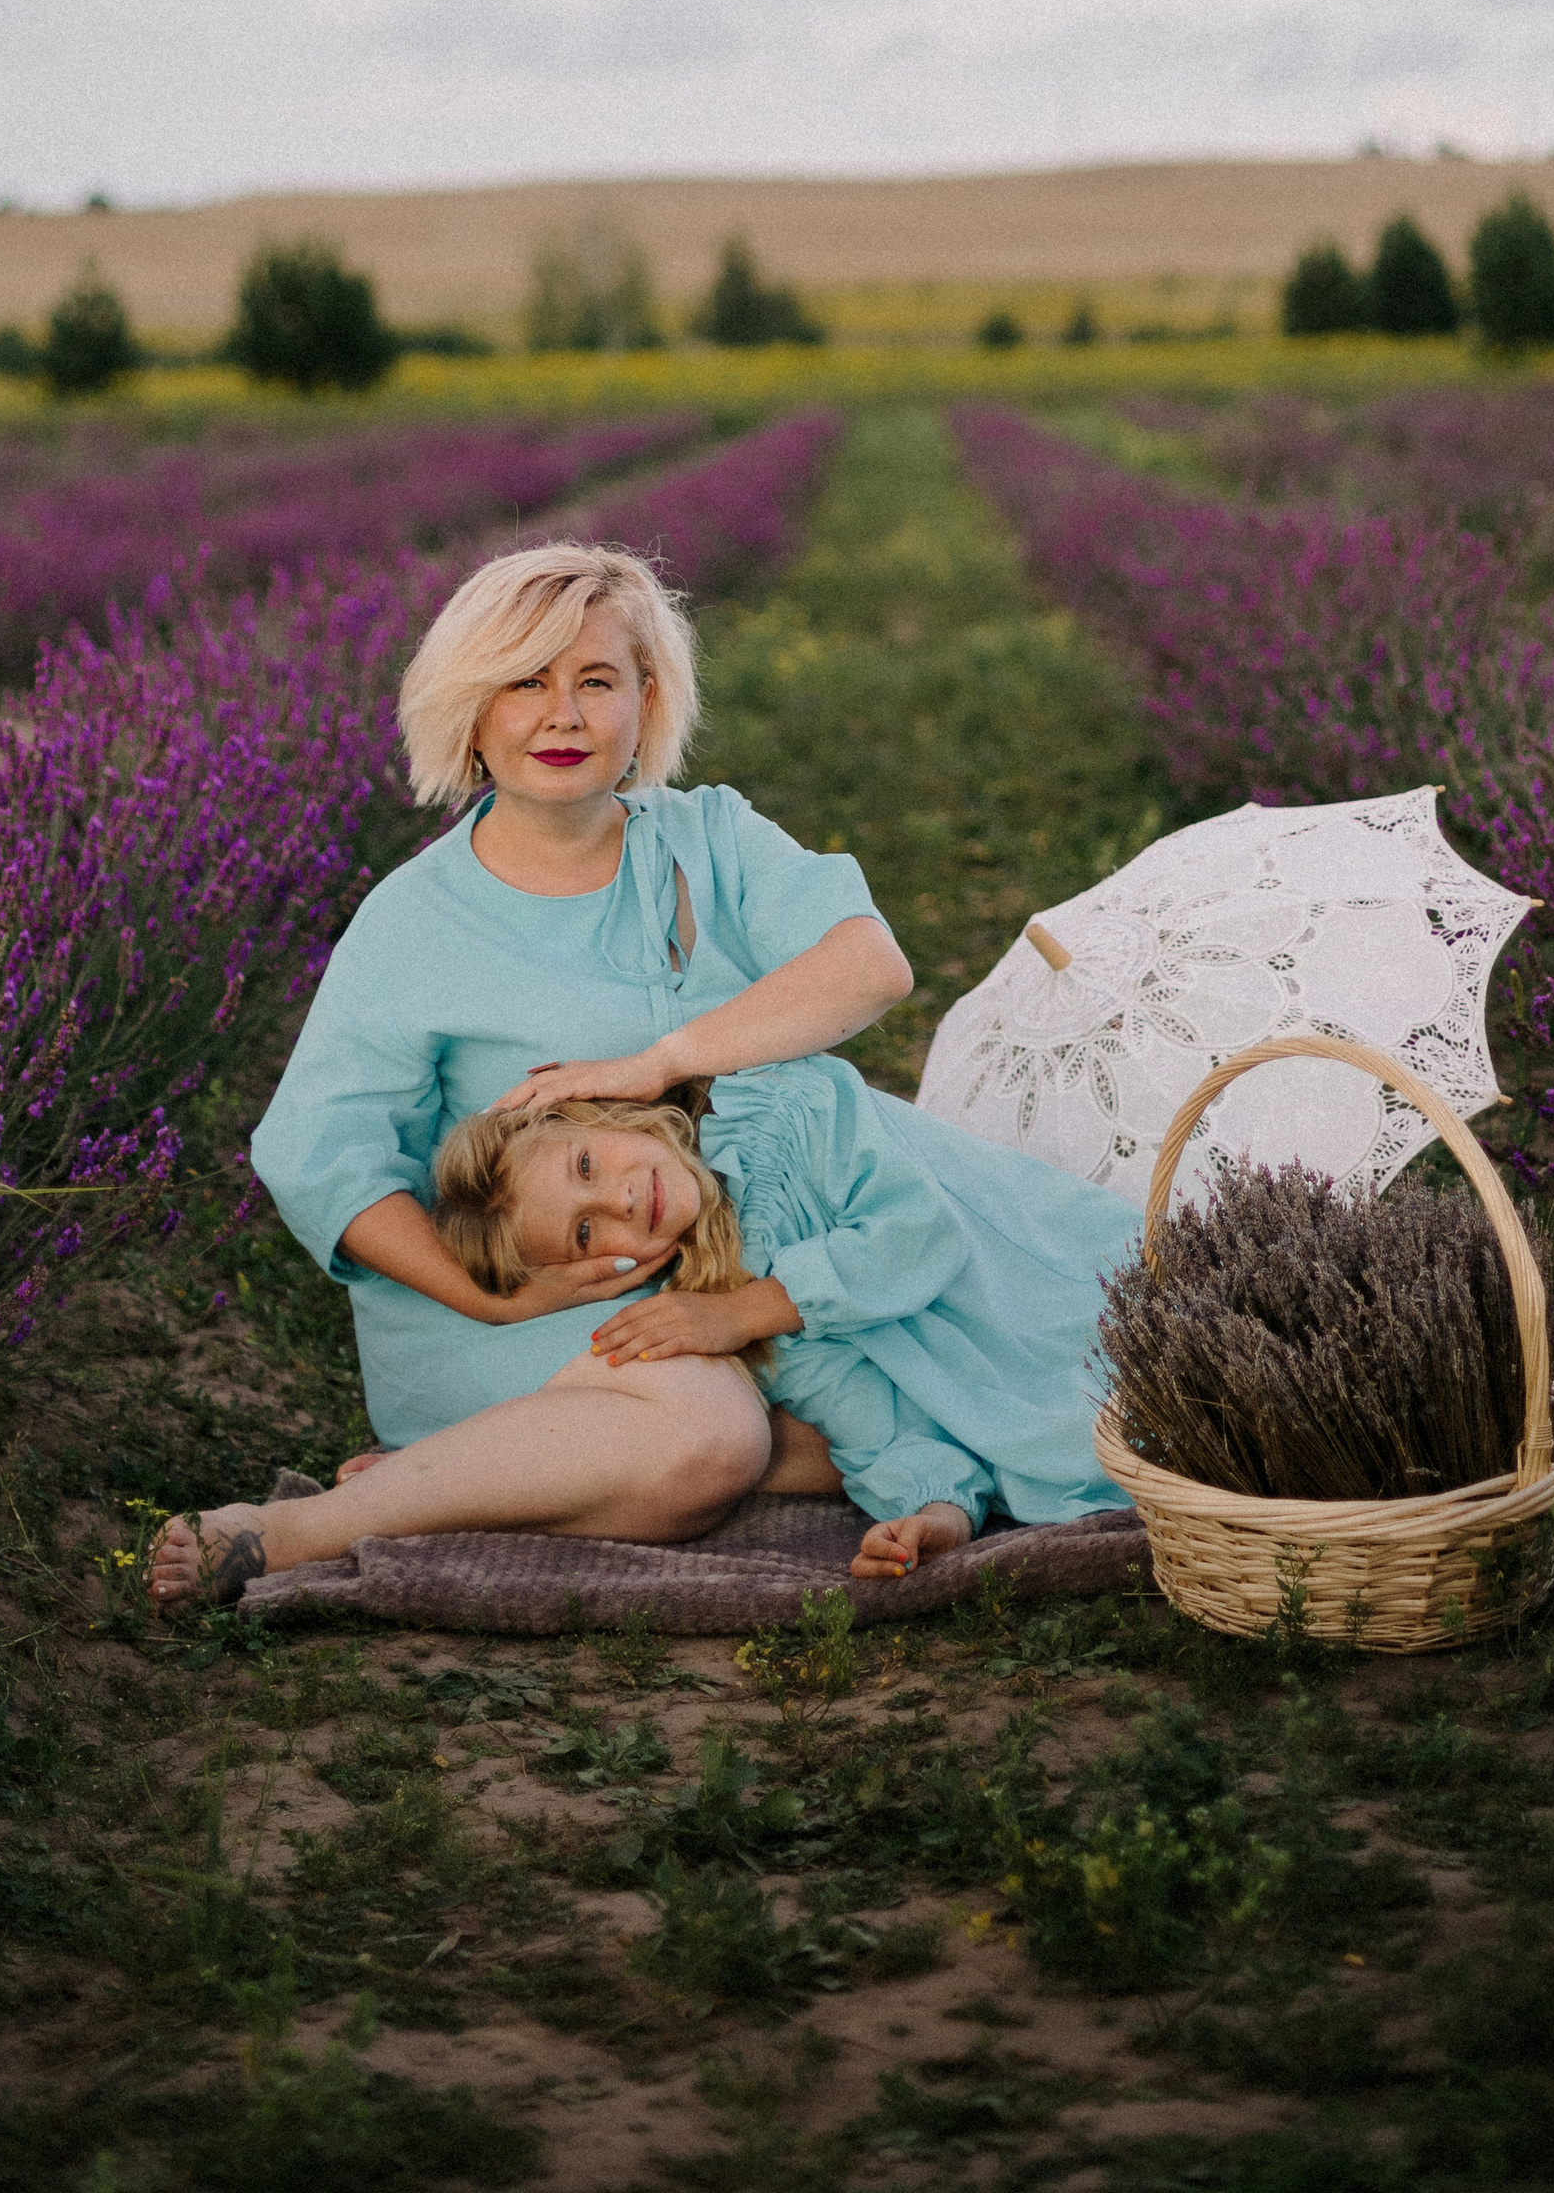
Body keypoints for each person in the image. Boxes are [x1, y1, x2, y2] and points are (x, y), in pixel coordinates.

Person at [240, 537, 913, 1544]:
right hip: (529, 1300)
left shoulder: (711, 837)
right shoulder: (415, 920)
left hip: (733, 1281)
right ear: (470, 711)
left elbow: (870, 968)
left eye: (596, 681)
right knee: (715, 1440)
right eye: (524, 682)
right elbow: (318, 1157)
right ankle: (315, 1528)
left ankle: (479, 1473)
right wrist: (490, 1302)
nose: (562, 715)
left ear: (646, 699)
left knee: (913, 1403)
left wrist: (663, 1062)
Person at [151, 1053, 1135, 1600]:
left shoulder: (793, 1107)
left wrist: (744, 1309)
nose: (622, 1202)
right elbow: (889, 1427)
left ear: (604, 1116)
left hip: (1106, 1286)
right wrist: (936, 1513)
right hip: (1074, 1418)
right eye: (588, 1233)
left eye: (588, 1166)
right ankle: (386, 1505)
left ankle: (404, 1491)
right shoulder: (750, 1328)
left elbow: (919, 1233)